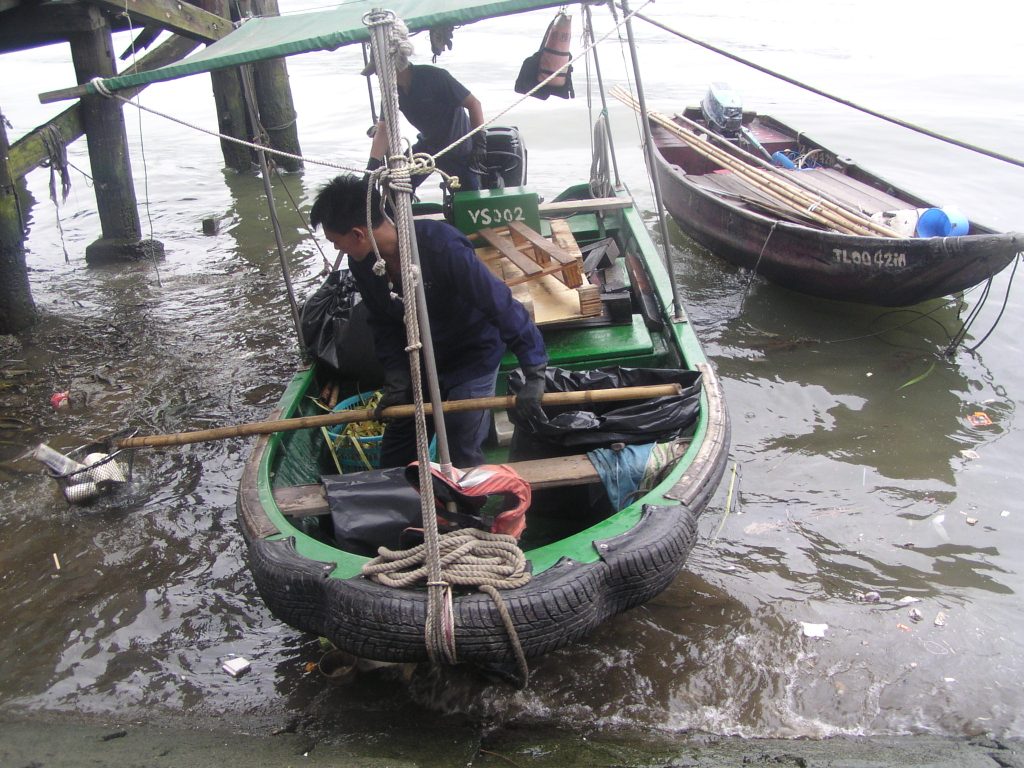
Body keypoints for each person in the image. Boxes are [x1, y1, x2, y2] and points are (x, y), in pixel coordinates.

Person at [309, 174, 548, 469]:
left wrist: (534, 372)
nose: (337, 249)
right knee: (398, 446)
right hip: (419, 357)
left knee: (461, 446)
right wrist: (397, 376)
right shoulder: (363, 264)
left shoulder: (441, 246)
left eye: (336, 241)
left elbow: (499, 304)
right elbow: (382, 322)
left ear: (358, 234)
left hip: (471, 355)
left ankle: (470, 496)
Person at [364, 54, 487, 192]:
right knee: (397, 182)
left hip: (457, 148)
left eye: (377, 70)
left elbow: (474, 104)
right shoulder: (391, 92)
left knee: (466, 199)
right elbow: (384, 130)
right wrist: (371, 169)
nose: (376, 74)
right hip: (429, 146)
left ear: (392, 66)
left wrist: (479, 143)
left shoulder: (435, 76)